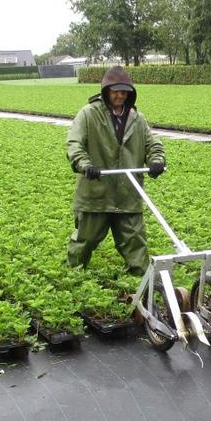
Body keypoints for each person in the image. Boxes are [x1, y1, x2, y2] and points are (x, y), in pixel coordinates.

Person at [66, 66, 165, 275]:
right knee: (86, 239)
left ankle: (143, 286)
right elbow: (74, 144)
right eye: (115, 91)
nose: (120, 95)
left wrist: (157, 161)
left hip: (128, 193)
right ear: (106, 91)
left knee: (135, 242)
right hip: (96, 192)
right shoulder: (89, 114)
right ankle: (72, 278)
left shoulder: (137, 119)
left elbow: (153, 144)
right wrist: (85, 165)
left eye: (123, 91)